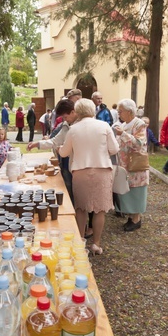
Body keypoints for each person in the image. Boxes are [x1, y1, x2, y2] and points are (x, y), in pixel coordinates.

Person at [58, 99, 119, 255]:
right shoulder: (104, 126)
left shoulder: (73, 129)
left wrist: (60, 148)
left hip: (80, 172)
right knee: (100, 210)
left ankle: (80, 243)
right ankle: (96, 244)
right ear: (93, 110)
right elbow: (114, 149)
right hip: (102, 170)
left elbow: (64, 153)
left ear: (77, 111)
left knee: (81, 209)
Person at [28, 98, 78, 204]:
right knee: (71, 192)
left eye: (65, 117)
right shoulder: (67, 125)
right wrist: (37, 144)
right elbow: (55, 141)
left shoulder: (81, 124)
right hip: (71, 165)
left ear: (73, 112)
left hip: (82, 167)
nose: (65, 120)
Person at [114, 99, 149, 232]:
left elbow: (139, 143)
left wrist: (122, 134)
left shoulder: (139, 124)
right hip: (125, 165)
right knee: (127, 191)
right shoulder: (124, 124)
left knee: (136, 192)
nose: (119, 113)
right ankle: (131, 216)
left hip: (135, 165)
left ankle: (136, 218)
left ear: (129, 111)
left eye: (120, 111)